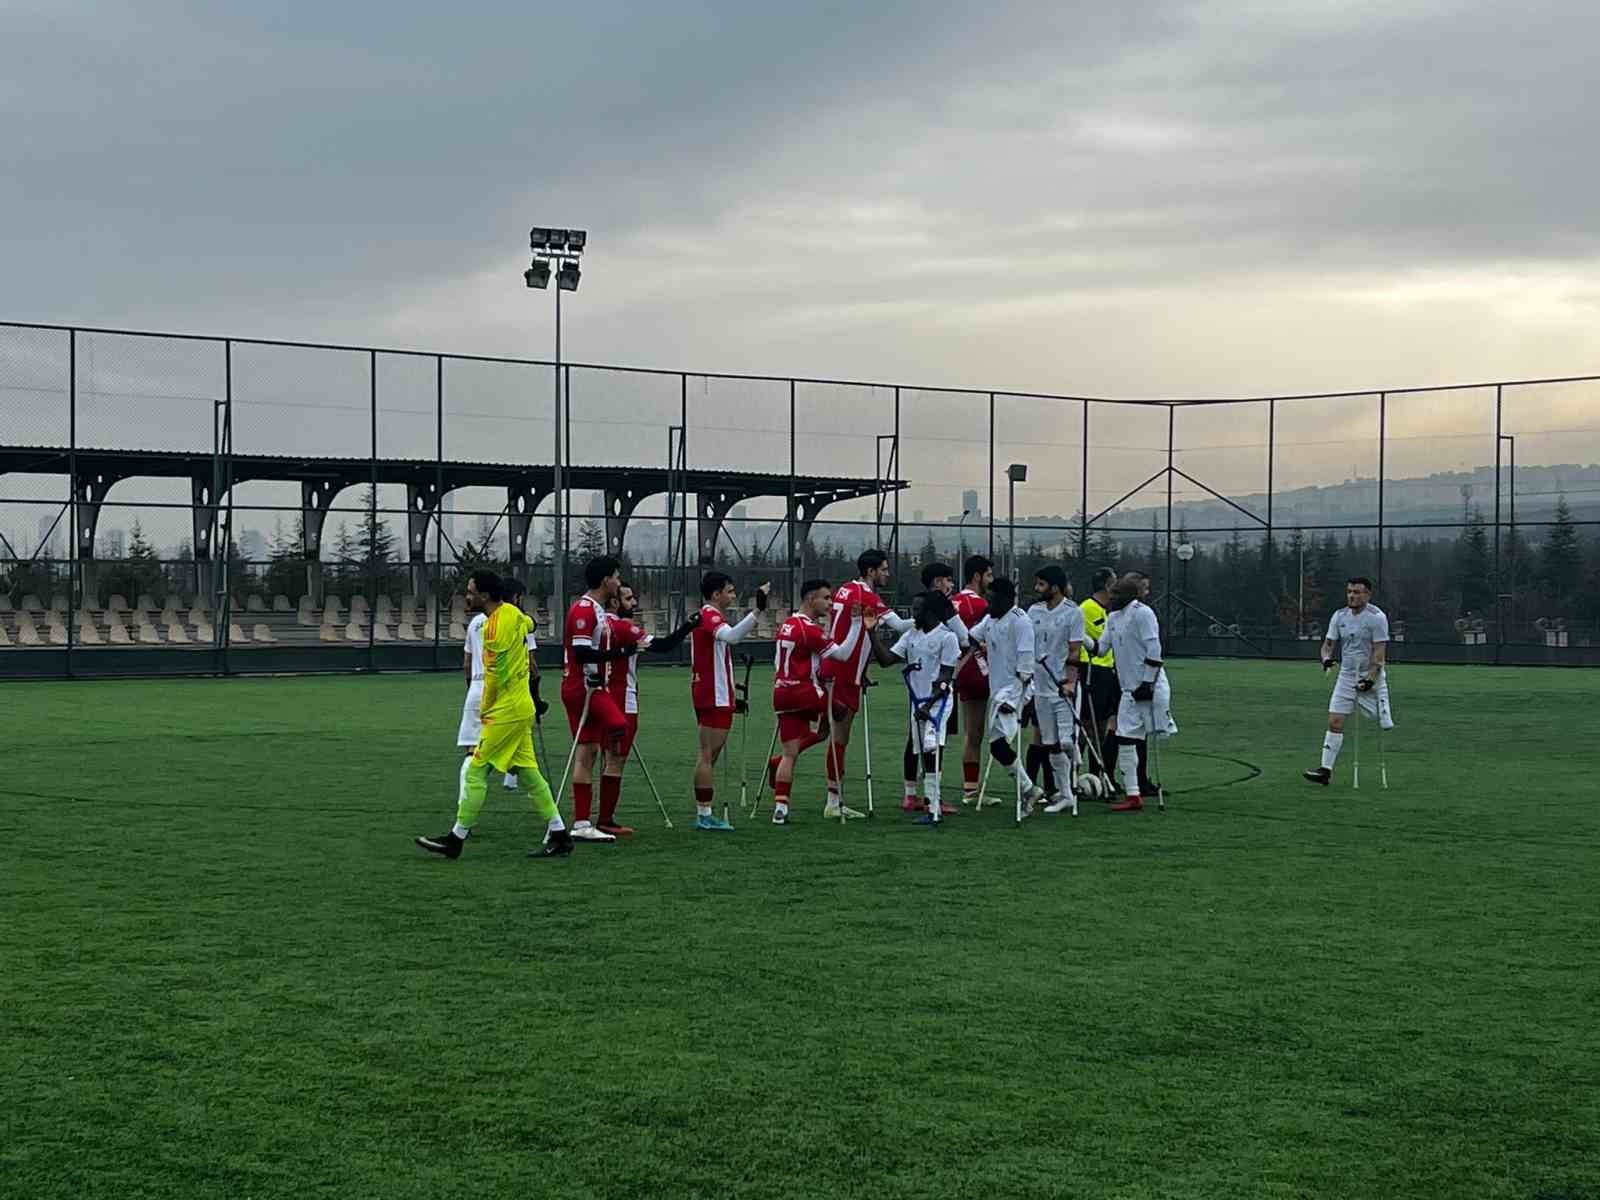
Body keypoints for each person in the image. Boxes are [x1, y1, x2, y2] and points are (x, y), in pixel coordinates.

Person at [416, 570, 571, 859]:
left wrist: (486, 710)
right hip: (521, 704)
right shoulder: (513, 613)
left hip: (506, 709)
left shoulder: (492, 628)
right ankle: (560, 834)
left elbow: (495, 677)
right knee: (528, 773)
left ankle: (456, 839)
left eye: (471, 591)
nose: (467, 595)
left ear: (485, 596)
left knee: (476, 770)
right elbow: (531, 624)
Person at [596, 581, 700, 835]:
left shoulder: (598, 624)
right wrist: (689, 625)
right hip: (622, 700)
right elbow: (664, 646)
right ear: (614, 602)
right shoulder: (622, 626)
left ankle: (594, 817)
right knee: (615, 761)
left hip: (602, 697)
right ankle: (605, 820)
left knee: (602, 758)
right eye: (629, 599)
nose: (634, 603)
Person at [817, 550, 914, 820]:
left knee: (825, 732)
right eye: (883, 569)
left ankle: (784, 763)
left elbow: (857, 630)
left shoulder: (846, 590)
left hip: (837, 667)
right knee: (840, 737)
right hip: (845, 673)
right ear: (870, 571)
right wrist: (934, 616)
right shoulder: (866, 596)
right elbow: (899, 627)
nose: (887, 574)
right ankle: (833, 801)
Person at [560, 556, 637, 843]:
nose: (618, 582)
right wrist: (618, 655)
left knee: (587, 752)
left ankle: (582, 822)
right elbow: (581, 654)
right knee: (619, 725)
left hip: (592, 687)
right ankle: (593, 815)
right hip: (584, 688)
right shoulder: (583, 609)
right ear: (606, 580)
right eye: (616, 577)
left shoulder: (598, 610)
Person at [768, 579, 857, 824]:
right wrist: (858, 624)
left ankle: (781, 808)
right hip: (805, 692)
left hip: (780, 693)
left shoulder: (786, 624)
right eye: (826, 598)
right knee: (841, 712)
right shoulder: (809, 629)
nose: (830, 603)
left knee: (790, 753)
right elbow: (843, 654)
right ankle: (835, 797)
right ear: (810, 599)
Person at [869, 590, 959, 825]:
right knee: (922, 751)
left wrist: (929, 704)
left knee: (931, 748)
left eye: (917, 609)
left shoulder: (947, 638)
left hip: (938, 703)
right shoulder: (912, 635)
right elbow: (886, 660)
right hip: (918, 703)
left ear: (929, 611)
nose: (913, 614)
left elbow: (946, 677)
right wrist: (871, 633)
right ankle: (931, 805)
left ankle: (934, 806)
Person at [689, 571, 771, 830]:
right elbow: (734, 637)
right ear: (716, 594)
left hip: (716, 692)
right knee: (707, 753)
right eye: (730, 591)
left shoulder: (711, 616)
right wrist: (756, 611)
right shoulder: (710, 615)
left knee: (709, 754)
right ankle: (704, 814)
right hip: (713, 695)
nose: (733, 595)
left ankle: (704, 812)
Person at [967, 576, 1048, 816]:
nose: (988, 604)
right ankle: (1029, 788)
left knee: (999, 744)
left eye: (992, 599)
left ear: (1006, 599)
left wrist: (1013, 700)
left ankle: (1029, 788)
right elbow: (970, 636)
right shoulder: (991, 620)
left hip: (1013, 693)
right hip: (997, 691)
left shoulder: (1020, 621)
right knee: (996, 747)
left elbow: (1025, 669)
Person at [1304, 576, 1394, 786]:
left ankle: (1382, 705)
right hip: (1346, 674)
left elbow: (1379, 655)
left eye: (1357, 592)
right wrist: (1326, 659)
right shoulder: (1339, 616)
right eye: (1349, 592)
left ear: (1367, 595)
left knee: (1384, 723)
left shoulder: (1377, 617)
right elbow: (1327, 645)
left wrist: (1370, 680)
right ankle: (1325, 770)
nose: (1352, 596)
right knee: (1334, 721)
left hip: (1371, 672)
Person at [899, 562, 971, 812]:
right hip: (937, 682)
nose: (951, 585)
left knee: (918, 738)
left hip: (925, 683)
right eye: (948, 580)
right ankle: (932, 798)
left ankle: (913, 793)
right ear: (938, 582)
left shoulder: (925, 615)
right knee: (934, 742)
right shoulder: (942, 607)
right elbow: (964, 638)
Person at [1102, 572, 1177, 812]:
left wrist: (1147, 682)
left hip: (1150, 687)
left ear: (1128, 595)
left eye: (1115, 594)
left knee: (1149, 735)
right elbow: (1101, 648)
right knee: (1125, 738)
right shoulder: (1112, 617)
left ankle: (1139, 790)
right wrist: (1079, 637)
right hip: (1128, 691)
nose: (1111, 598)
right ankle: (1134, 794)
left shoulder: (1143, 613)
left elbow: (1154, 647)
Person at [1027, 565, 1085, 816]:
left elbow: (1075, 650)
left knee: (1064, 741)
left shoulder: (1073, 612)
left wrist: (1070, 682)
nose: (1037, 589)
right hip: (1040, 688)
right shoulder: (1033, 611)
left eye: (1041, 584)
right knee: (1050, 743)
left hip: (1063, 687)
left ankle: (1075, 754)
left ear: (1055, 587)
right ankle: (1065, 795)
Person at [498, 579, 548, 793]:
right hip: (518, 684)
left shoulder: (486, 620)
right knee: (519, 730)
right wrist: (536, 687)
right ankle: (514, 774)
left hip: (493, 683)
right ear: (516, 596)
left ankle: (511, 775)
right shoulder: (521, 620)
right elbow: (531, 658)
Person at [952, 555, 994, 803]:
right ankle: (972, 789)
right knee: (977, 732)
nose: (990, 580)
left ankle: (970, 788)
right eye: (987, 575)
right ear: (977, 576)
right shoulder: (980, 606)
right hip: (979, 671)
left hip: (959, 671)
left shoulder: (953, 601)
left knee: (970, 731)